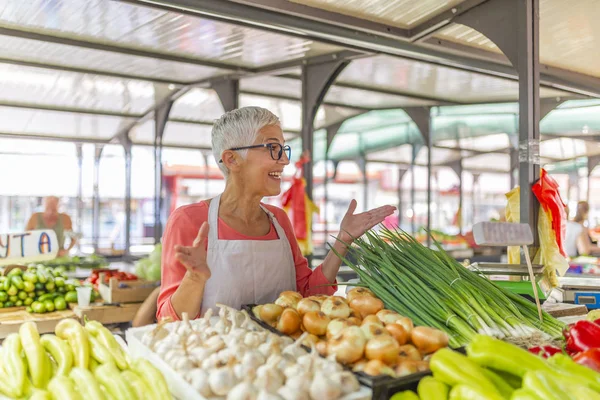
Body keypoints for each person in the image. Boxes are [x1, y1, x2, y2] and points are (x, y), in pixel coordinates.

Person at [157, 107, 395, 320]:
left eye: (283, 149)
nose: (284, 160)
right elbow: (168, 320)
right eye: (272, 148)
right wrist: (195, 279)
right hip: (215, 362)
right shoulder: (189, 221)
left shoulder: (279, 221)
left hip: (279, 360)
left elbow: (306, 295)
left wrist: (343, 240)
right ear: (232, 159)